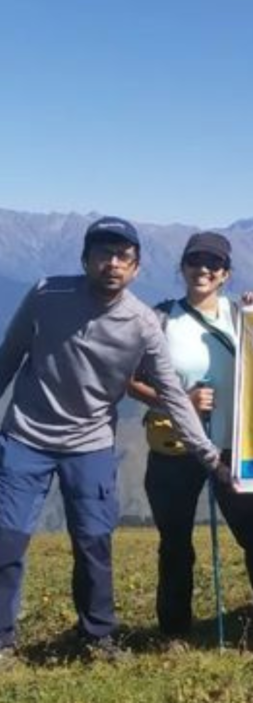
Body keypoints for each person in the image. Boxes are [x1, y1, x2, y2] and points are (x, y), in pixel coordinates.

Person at [0, 217, 226, 666]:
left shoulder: (142, 324)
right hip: (26, 436)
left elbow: (172, 398)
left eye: (124, 257)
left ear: (137, 269)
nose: (112, 263)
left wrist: (210, 458)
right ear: (85, 260)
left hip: (90, 443)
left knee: (94, 543)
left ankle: (96, 637)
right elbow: (9, 355)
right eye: (103, 253)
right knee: (7, 541)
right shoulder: (47, 295)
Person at [128, 232, 253, 644]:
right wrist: (177, 400)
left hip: (237, 444)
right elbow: (129, 381)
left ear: (226, 274)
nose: (203, 270)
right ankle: (175, 629)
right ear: (182, 268)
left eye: (213, 264)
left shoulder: (244, 317)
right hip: (175, 445)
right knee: (175, 542)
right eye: (195, 261)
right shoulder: (159, 319)